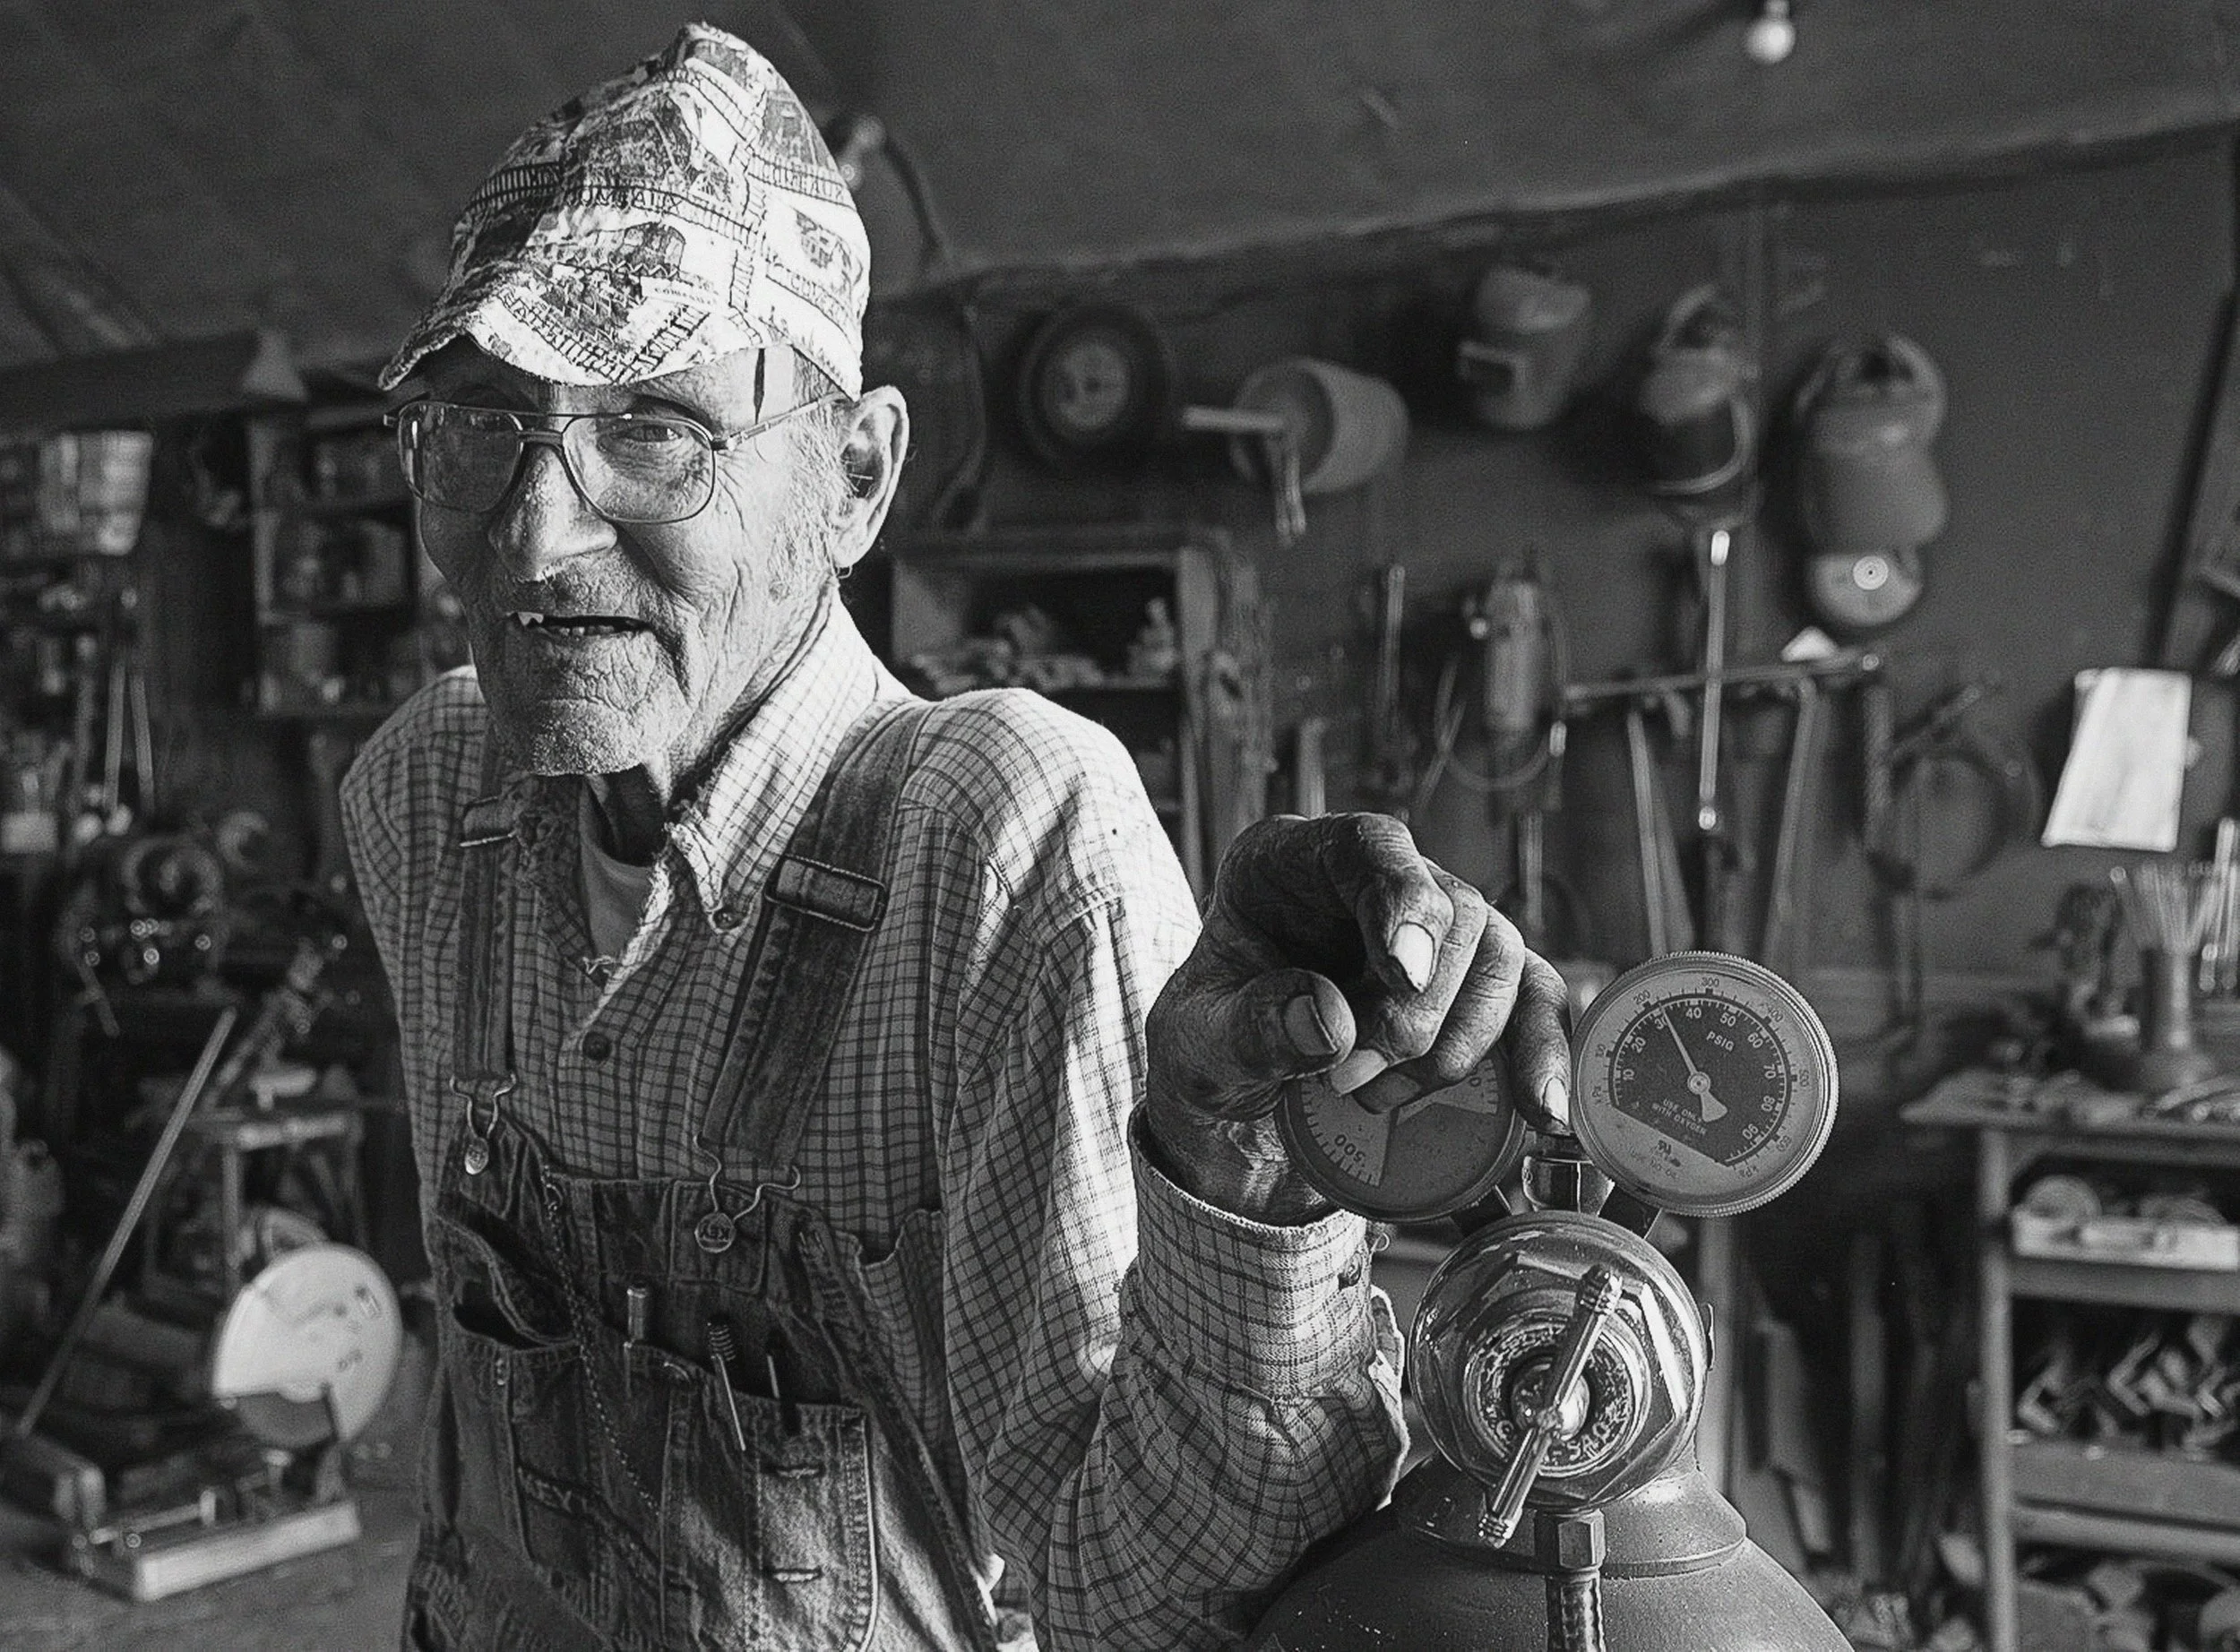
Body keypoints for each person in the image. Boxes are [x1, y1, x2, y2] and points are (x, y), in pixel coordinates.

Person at [341, 24, 1570, 1652]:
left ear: (854, 477)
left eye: (653, 427)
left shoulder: (996, 845)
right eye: (482, 424)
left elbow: (1145, 1603)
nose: (535, 528)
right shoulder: (431, 797)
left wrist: (1239, 1168)